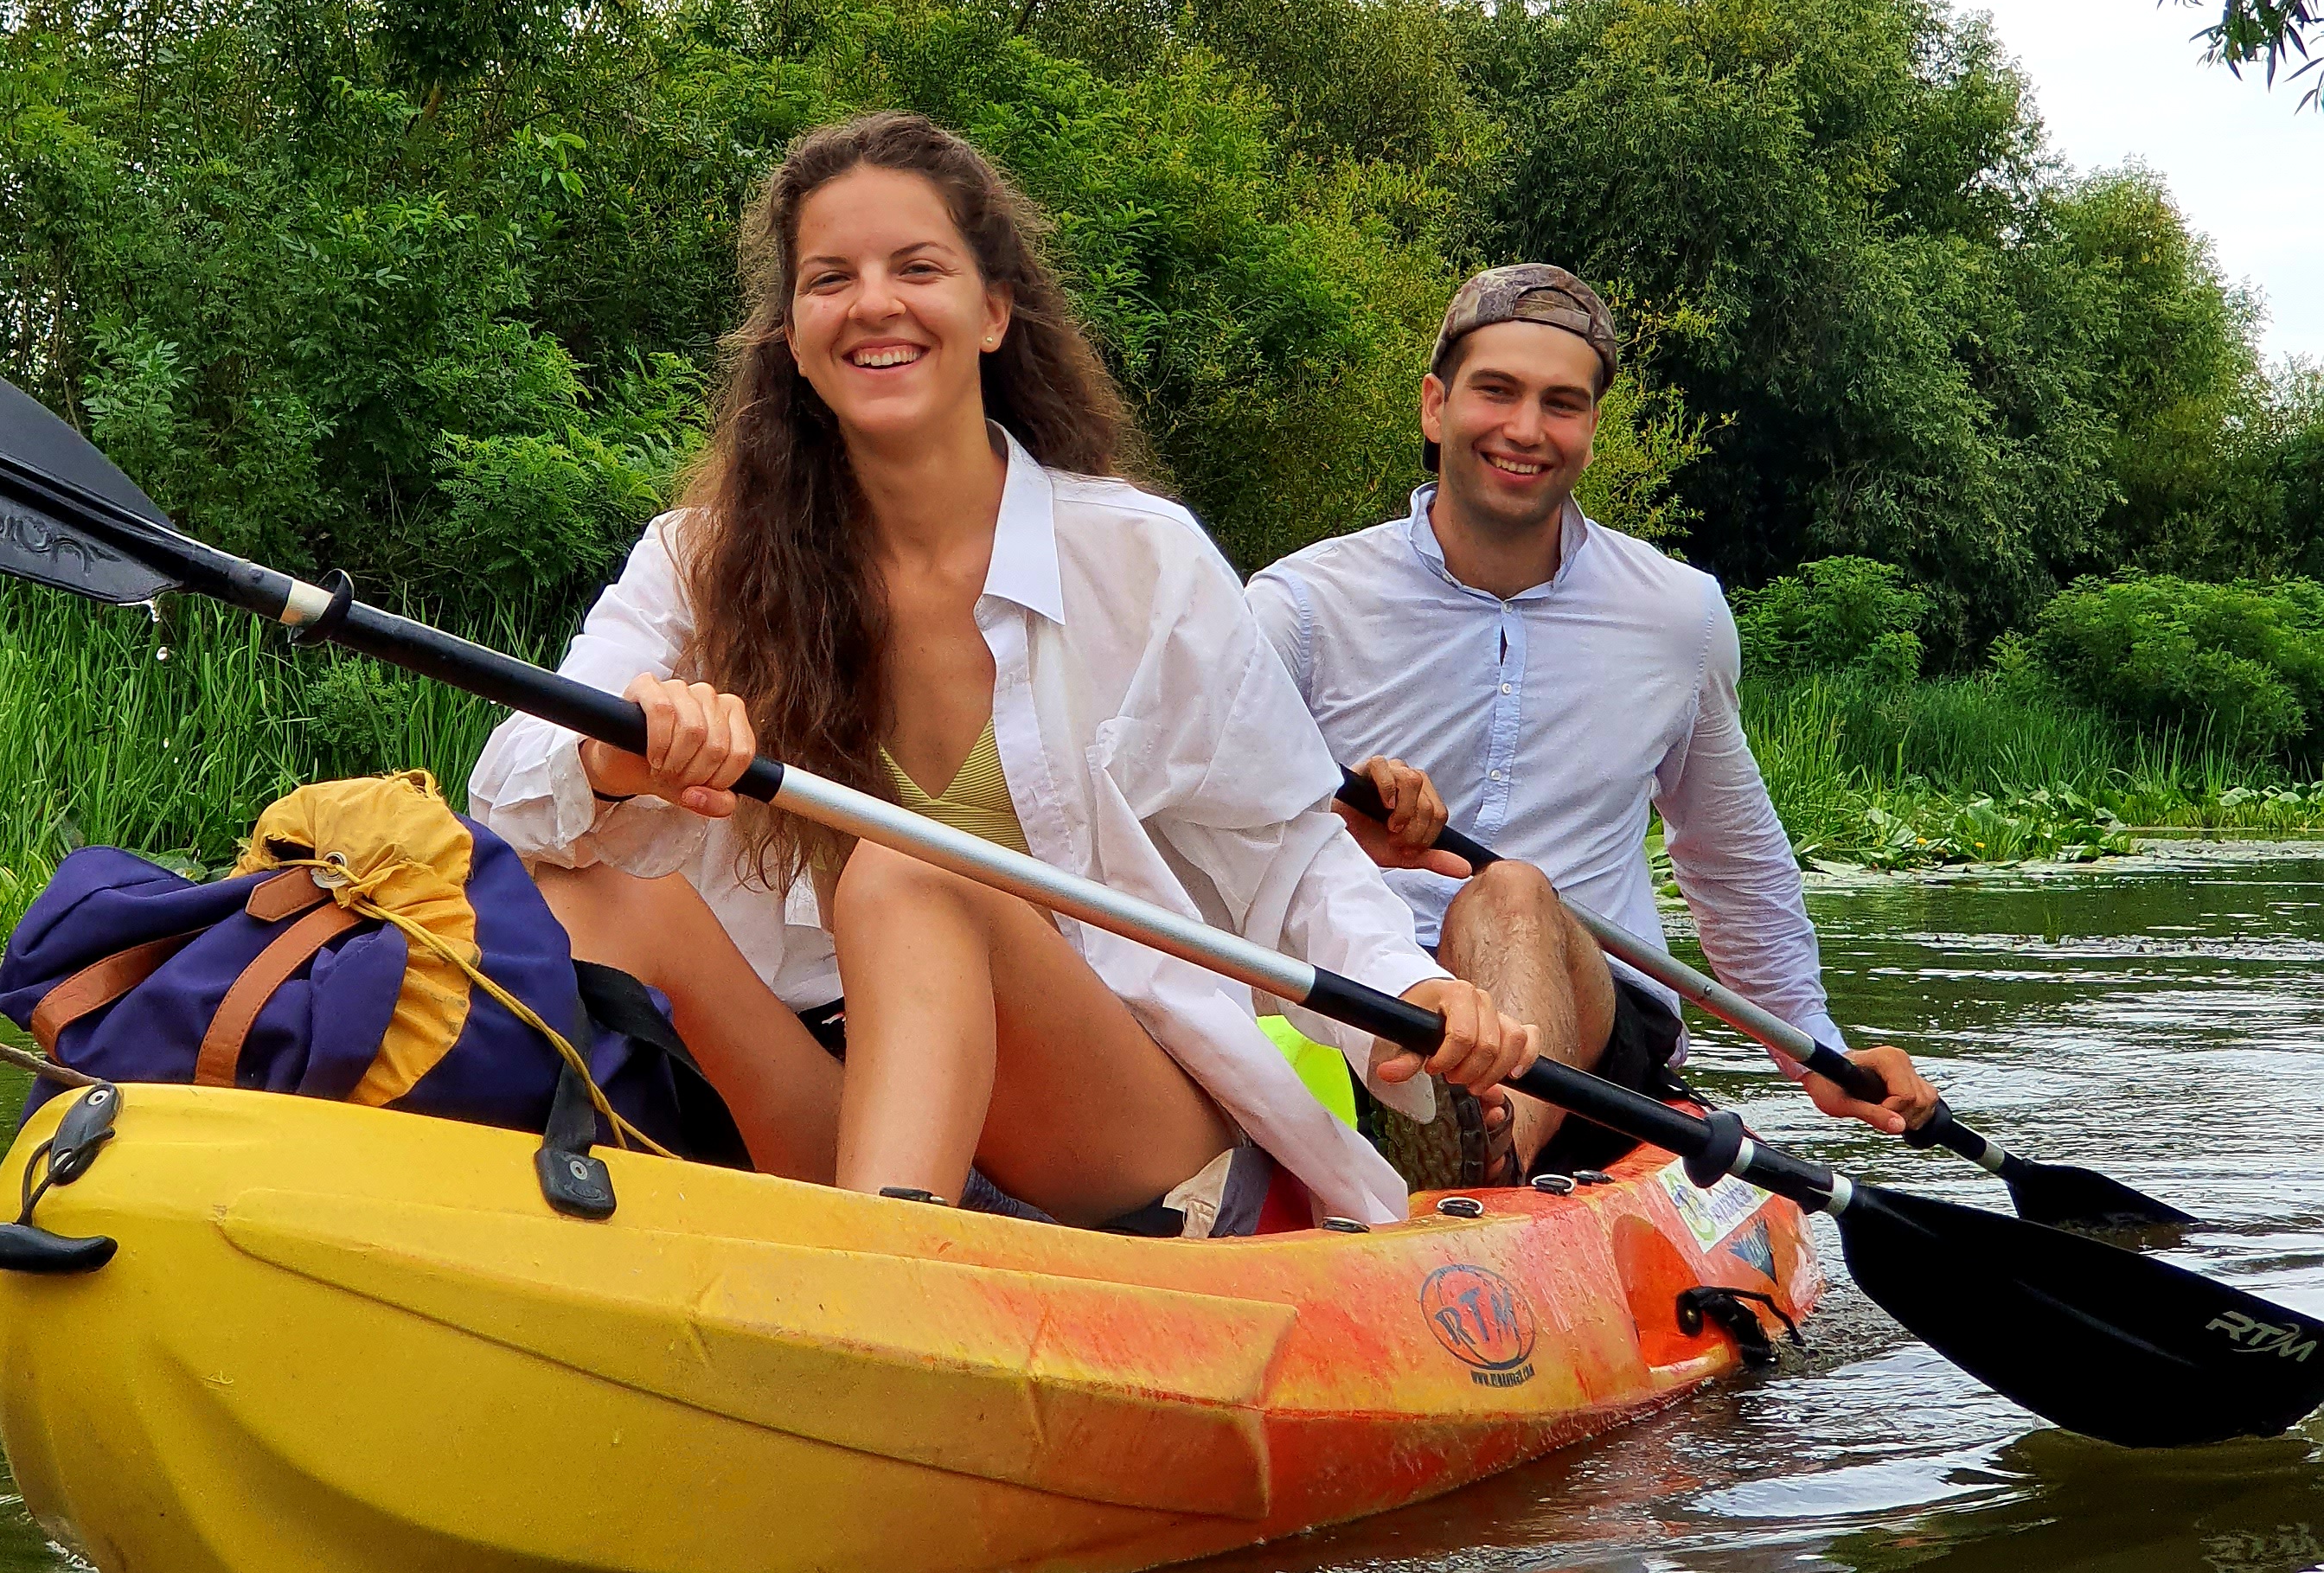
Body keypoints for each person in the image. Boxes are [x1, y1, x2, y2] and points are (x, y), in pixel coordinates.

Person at [468, 112, 1536, 1231]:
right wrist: (614, 752)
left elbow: (1289, 855)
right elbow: (510, 789)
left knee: (907, 873)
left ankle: (885, 1295)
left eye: (916, 267)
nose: (873, 301)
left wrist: (1406, 999)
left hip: (1117, 1134)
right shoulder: (698, 561)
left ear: (991, 311)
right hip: (841, 1096)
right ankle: (640, 1229)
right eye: (831, 278)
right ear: (792, 333)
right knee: (579, 878)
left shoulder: (1139, 557)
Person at [1246, 262, 1934, 1183]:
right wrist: (1345, 825)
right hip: (1366, 1001)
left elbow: (1731, 858)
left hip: (1598, 1022)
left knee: (1513, 893)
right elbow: (1220, 834)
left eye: (1561, 404)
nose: (1526, 429)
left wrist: (1814, 1050)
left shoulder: (1678, 616)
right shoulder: (1296, 608)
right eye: (1497, 391)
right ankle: (1437, 1135)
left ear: (1591, 431)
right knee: (1443, 933)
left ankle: (1483, 1158)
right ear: (1434, 407)